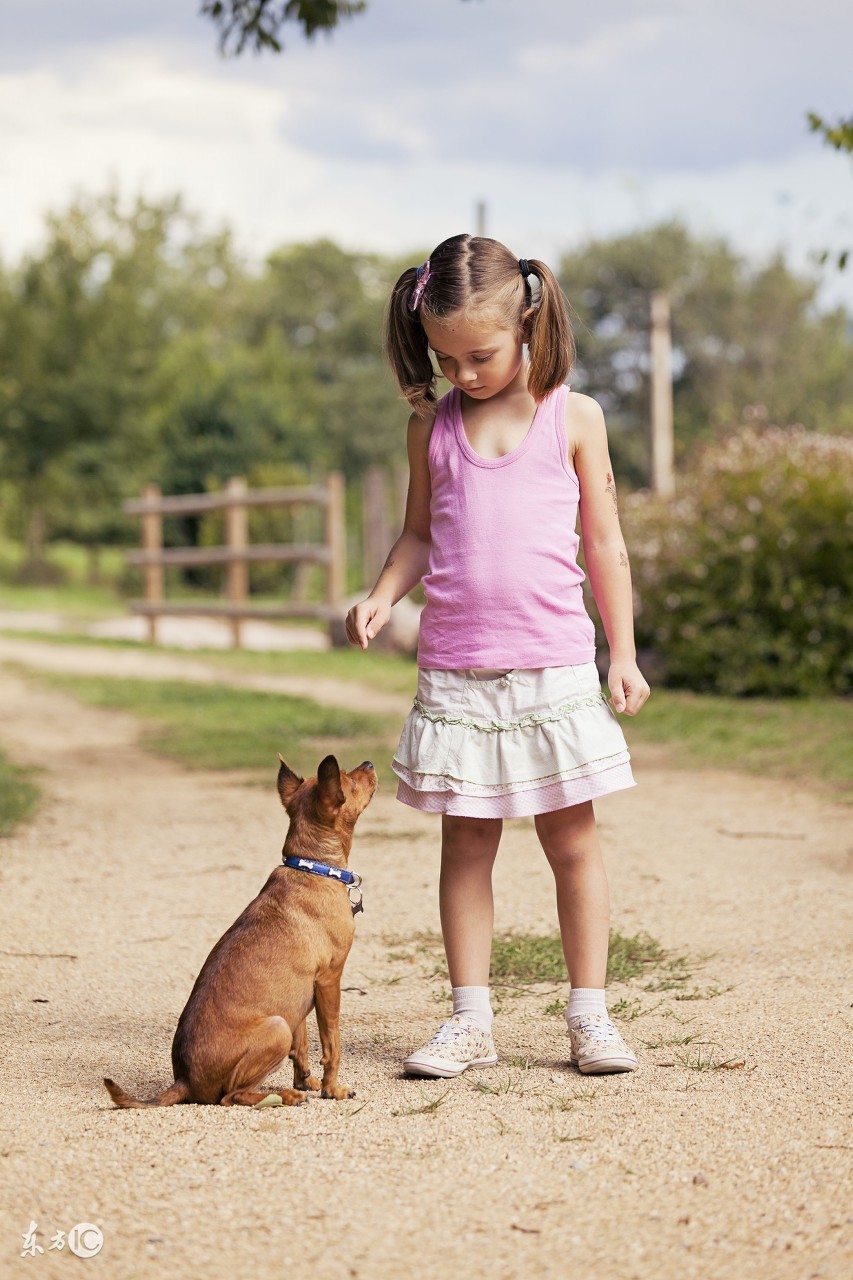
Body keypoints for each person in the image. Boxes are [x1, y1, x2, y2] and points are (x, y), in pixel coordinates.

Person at [346, 233, 650, 1079]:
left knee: (571, 844)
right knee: (466, 846)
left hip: (552, 668)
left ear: (527, 318)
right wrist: (380, 595)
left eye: (477, 355)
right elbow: (416, 536)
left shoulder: (573, 416)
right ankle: (468, 1020)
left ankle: (589, 1016)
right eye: (444, 359)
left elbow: (605, 543)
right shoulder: (430, 429)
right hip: (457, 673)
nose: (462, 374)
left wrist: (619, 653)